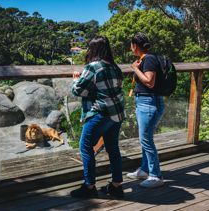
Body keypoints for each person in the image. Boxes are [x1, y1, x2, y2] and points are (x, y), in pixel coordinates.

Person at [70, 36, 125, 198]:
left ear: (93, 50)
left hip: (101, 113)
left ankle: (89, 187)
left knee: (85, 146)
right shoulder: (115, 68)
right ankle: (116, 186)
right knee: (112, 148)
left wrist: (75, 80)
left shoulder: (93, 67)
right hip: (117, 113)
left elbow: (78, 91)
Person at [126, 32, 165, 188]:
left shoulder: (148, 59)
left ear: (135, 46)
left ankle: (156, 176)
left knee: (146, 140)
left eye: (131, 45)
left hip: (148, 103)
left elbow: (149, 82)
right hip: (146, 102)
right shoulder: (147, 58)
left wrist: (135, 68)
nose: (130, 47)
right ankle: (144, 170)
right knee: (145, 138)